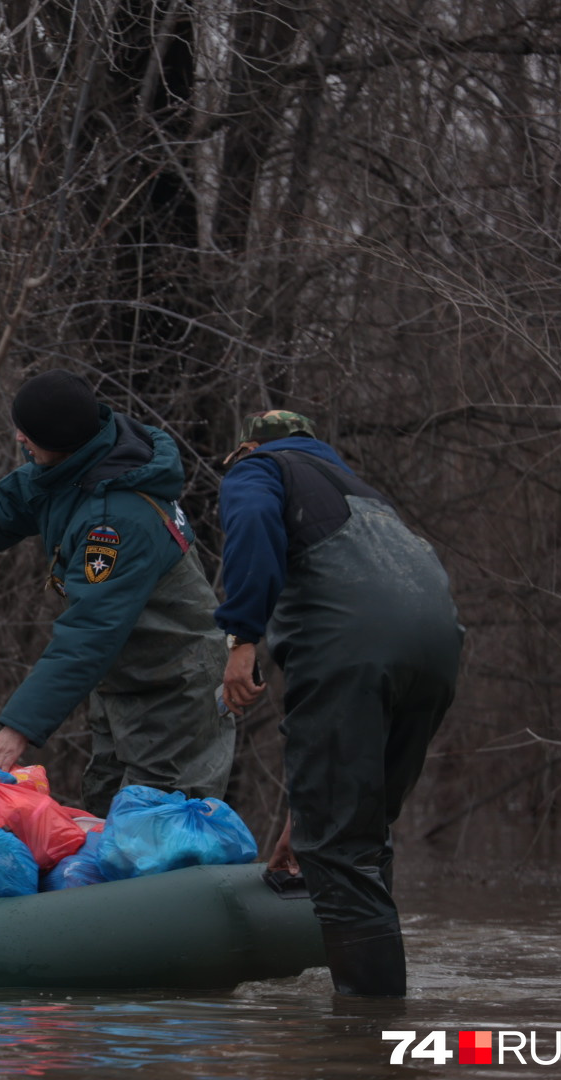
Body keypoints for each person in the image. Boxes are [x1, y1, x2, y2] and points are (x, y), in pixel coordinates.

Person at [0, 370, 233, 818]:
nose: (19, 437)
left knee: (159, 827)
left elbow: (88, 634)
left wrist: (18, 729)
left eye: (29, 433)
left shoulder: (114, 523)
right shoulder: (81, 461)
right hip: (127, 677)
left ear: (61, 440)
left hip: (174, 687)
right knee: (105, 803)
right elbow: (15, 500)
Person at [214, 410, 462, 997]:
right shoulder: (366, 496)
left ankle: (367, 1032)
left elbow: (249, 521)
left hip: (350, 647)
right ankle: (385, 1019)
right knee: (363, 831)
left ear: (251, 445)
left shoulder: (260, 468)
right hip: (437, 648)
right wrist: (307, 818)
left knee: (340, 849)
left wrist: (242, 636)